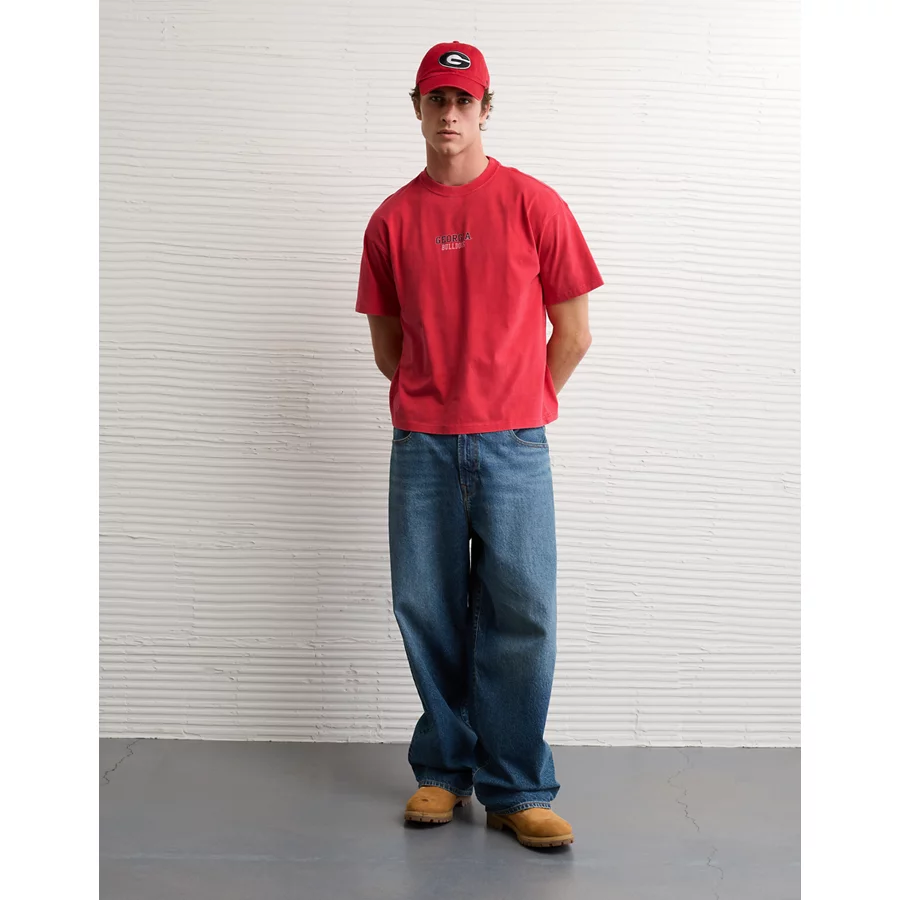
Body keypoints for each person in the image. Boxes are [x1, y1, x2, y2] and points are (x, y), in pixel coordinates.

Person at [355, 40, 604, 850]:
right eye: (437, 99)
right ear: (418, 108)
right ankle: (443, 770)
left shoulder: (534, 204)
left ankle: (516, 786)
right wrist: (439, 398)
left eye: (464, 100)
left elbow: (574, 332)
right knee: (427, 607)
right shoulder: (392, 220)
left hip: (513, 447)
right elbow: (389, 348)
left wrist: (522, 404)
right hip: (423, 447)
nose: (451, 113)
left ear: (486, 109)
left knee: (522, 611)